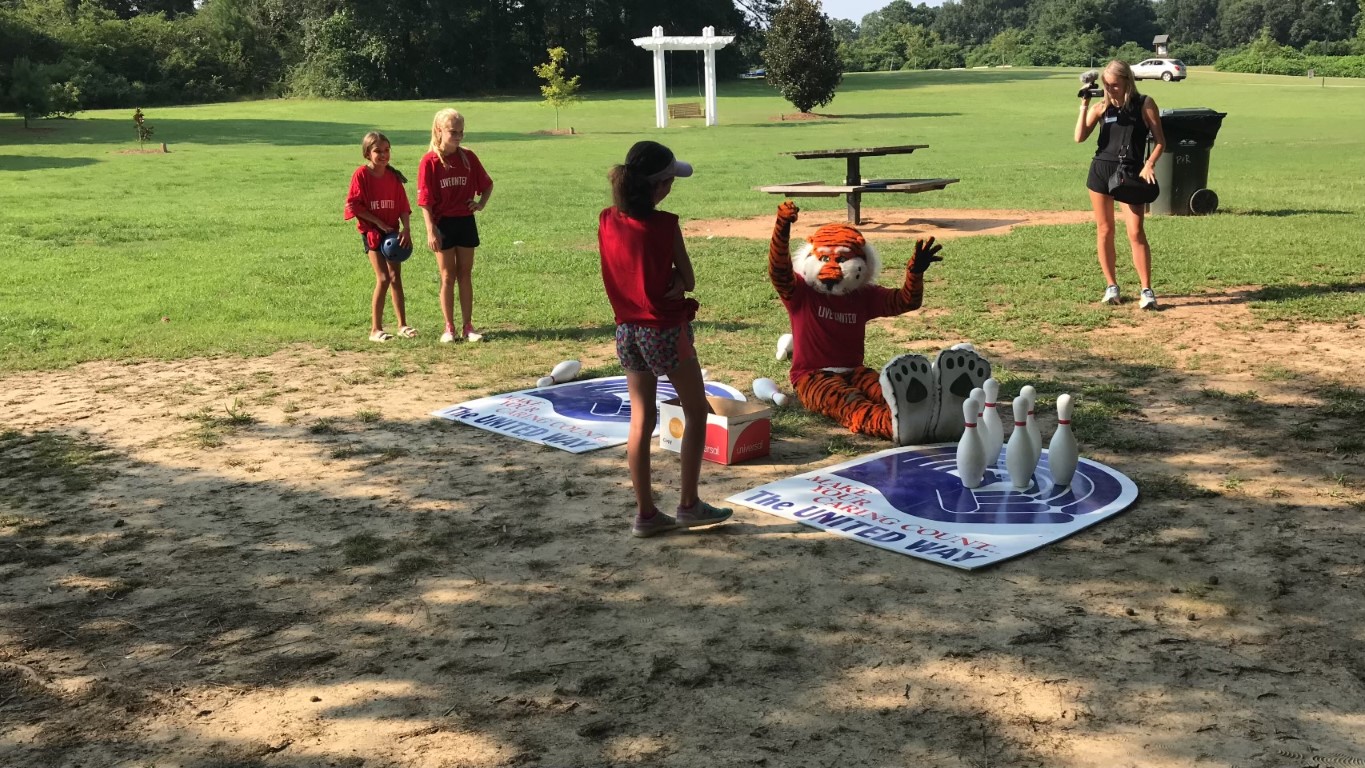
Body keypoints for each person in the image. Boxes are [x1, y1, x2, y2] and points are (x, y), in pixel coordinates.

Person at [598, 140, 733, 538]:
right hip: (664, 332)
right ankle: (689, 504)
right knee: (696, 410)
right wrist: (675, 280)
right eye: (670, 180)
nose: (672, 187)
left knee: (642, 419)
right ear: (658, 187)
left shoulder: (607, 219)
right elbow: (688, 279)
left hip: (627, 332)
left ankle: (646, 514)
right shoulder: (666, 225)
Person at [1075, 59, 1167, 310]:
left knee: (1135, 231)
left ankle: (1146, 290)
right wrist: (1084, 105)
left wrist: (1149, 164)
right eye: (1107, 85)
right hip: (1101, 171)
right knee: (1105, 230)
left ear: (1128, 81)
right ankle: (1111, 286)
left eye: (1114, 85)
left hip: (1130, 171)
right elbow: (1079, 137)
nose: (1110, 89)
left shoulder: (1144, 103)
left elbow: (1161, 141)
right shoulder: (1102, 107)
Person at [417, 109, 494, 343]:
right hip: (443, 224)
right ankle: (448, 327)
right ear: (439, 131)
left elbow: (487, 184)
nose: (458, 136)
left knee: (465, 274)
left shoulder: (468, 157)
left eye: (461, 132)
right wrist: (430, 230)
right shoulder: (429, 161)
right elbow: (425, 201)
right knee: (447, 275)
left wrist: (480, 204)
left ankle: (468, 326)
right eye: (453, 132)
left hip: (465, 221)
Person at [344, 131, 414, 342]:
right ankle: (375, 329)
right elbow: (355, 206)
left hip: (392, 233)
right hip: (373, 233)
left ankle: (402, 325)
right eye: (377, 151)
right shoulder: (361, 175)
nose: (383, 155)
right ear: (367, 153)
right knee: (383, 278)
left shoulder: (393, 177)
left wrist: (406, 228)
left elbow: (403, 206)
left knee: (395, 278)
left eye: (386, 150)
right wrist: (378, 223)